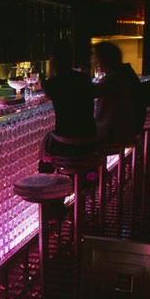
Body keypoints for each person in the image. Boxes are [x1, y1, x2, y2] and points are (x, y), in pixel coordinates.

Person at [38, 39, 98, 219]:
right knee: (50, 141)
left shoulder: (52, 83)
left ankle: (53, 205)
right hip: (90, 142)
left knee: (45, 158)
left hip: (67, 144)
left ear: (53, 60)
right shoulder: (85, 79)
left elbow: (48, 95)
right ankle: (83, 183)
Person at [93, 41, 146, 146]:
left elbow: (88, 92)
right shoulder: (124, 73)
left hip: (118, 134)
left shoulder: (113, 78)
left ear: (104, 59)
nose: (94, 61)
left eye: (96, 58)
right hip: (129, 130)